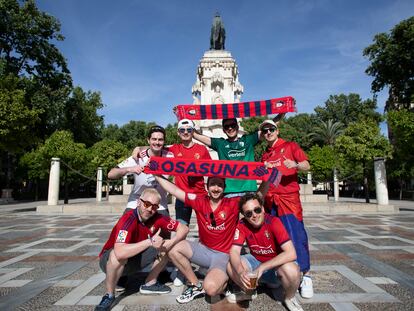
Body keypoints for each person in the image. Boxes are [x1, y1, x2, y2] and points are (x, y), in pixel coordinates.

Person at [153, 174, 270, 304]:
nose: (216, 188)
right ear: (207, 186)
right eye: (213, 184)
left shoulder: (233, 203)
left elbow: (257, 197)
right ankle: (195, 285)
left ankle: (227, 278)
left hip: (223, 256)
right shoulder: (199, 200)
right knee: (173, 248)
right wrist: (156, 175)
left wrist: (269, 177)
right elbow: (175, 190)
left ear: (224, 188)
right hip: (204, 251)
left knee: (211, 289)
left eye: (219, 185)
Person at [95, 188, 189, 311]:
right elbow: (119, 252)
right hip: (108, 261)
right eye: (147, 204)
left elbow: (184, 228)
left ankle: (150, 283)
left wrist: (171, 242)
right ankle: (109, 295)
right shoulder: (128, 219)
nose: (150, 209)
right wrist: (149, 242)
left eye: (155, 206)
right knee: (116, 256)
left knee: (167, 246)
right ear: (139, 202)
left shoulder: (158, 218)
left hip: (134, 258)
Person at [260, 119, 313, 299]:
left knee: (296, 235)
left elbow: (306, 164)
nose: (268, 132)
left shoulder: (290, 146)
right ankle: (279, 272)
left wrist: (296, 165)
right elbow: (265, 180)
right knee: (275, 239)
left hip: (289, 201)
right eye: (265, 130)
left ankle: (305, 276)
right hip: (270, 202)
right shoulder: (265, 156)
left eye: (271, 129)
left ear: (277, 130)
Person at [227, 193, 304, 311]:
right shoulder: (242, 224)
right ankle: (249, 291)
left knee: (291, 269)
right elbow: (234, 251)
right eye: (248, 213)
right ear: (244, 216)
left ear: (262, 209)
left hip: (276, 267)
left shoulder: (273, 221)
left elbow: (291, 253)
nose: (254, 215)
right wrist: (241, 271)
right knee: (231, 265)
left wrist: (262, 267)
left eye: (257, 210)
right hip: (256, 262)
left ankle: (289, 297)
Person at [192, 114, 284, 197]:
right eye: (227, 126)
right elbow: (197, 136)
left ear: (237, 126)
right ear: (223, 130)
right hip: (229, 192)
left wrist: (282, 112)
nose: (230, 128)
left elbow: (270, 126)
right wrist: (184, 119)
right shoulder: (220, 144)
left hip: (249, 190)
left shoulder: (248, 140)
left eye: (233, 125)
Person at [108, 125, 173, 216]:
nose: (157, 142)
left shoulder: (171, 157)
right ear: (148, 140)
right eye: (154, 139)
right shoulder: (137, 157)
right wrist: (129, 169)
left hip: (160, 204)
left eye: (160, 140)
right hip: (136, 202)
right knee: (123, 228)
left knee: (166, 230)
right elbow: (111, 174)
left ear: (164, 141)